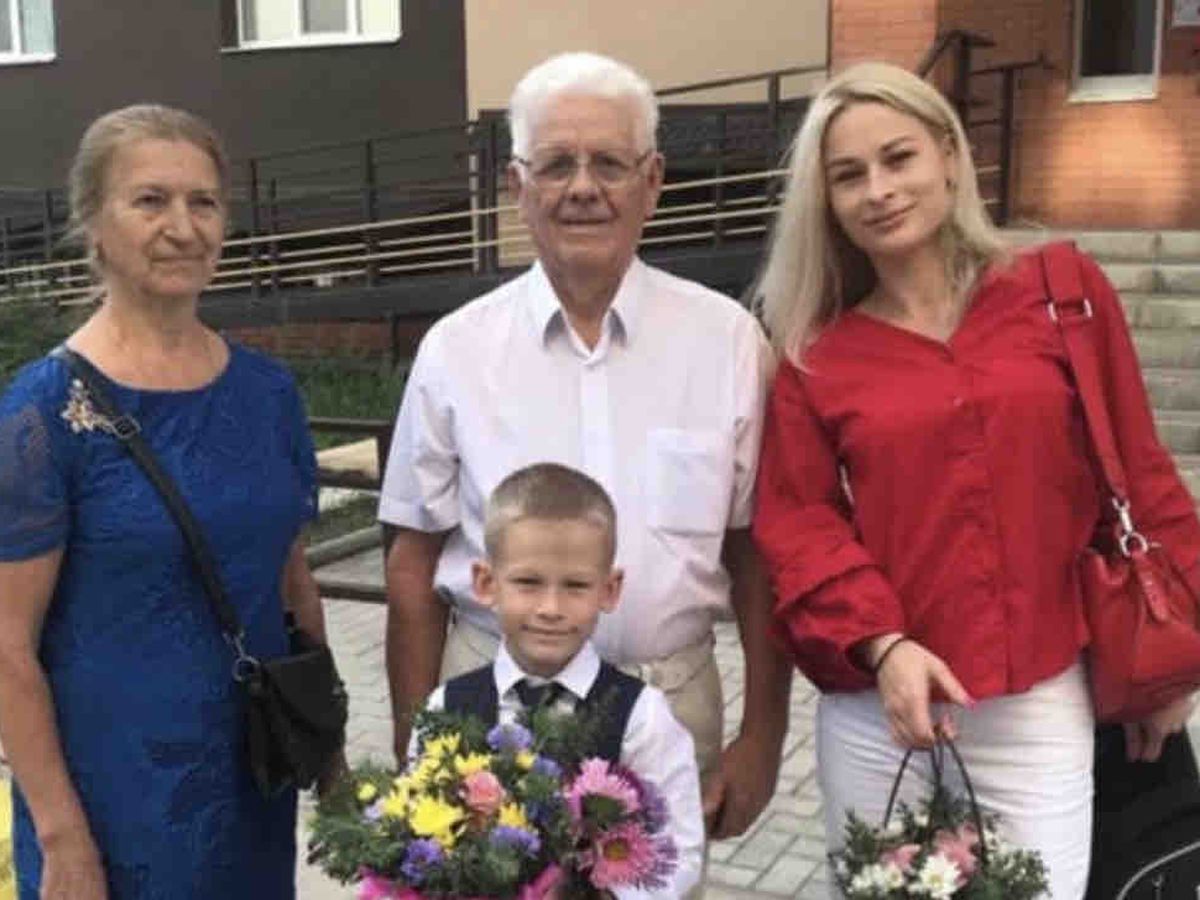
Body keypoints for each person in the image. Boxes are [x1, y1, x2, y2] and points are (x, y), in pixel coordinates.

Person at [750, 61, 1200, 899]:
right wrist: (884, 646)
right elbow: (798, 523)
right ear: (828, 202)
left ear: (951, 157)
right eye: (849, 175)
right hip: (881, 710)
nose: (879, 190)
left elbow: (1141, 473)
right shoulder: (817, 354)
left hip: (1037, 700)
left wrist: (1170, 670)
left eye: (899, 157)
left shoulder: (1062, 293)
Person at [379, 51, 791, 846]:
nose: (582, 187)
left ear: (653, 180)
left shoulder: (729, 344)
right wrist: (414, 743)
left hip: (668, 706)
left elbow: (757, 556)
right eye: (556, 164)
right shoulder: (456, 350)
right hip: (491, 710)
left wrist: (764, 736)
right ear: (516, 185)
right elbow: (411, 559)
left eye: (609, 162)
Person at [0, 105, 332, 898]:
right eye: (150, 200)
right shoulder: (42, 414)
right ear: (94, 222)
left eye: (203, 202)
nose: (183, 227)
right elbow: (7, 645)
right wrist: (61, 834)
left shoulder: (267, 394)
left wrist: (331, 749)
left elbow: (293, 583)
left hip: (254, 780)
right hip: (112, 805)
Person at [415, 462, 703, 898]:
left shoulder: (643, 718)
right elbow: (416, 830)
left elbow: (677, 854)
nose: (550, 607)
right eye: (528, 582)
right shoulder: (446, 707)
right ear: (486, 583)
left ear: (609, 589)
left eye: (575, 586)